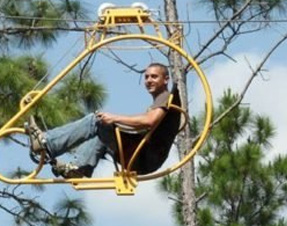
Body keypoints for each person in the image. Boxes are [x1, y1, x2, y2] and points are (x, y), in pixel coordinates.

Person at [26, 62, 181, 178]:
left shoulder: (166, 97)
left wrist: (114, 118)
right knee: (103, 125)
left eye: (154, 76)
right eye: (146, 77)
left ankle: (47, 142)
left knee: (96, 120)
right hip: (145, 157)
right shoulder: (160, 101)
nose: (149, 80)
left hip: (145, 156)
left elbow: (149, 121)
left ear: (166, 80)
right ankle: (78, 169)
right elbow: (146, 124)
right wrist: (113, 122)